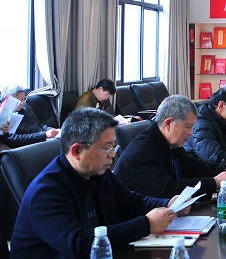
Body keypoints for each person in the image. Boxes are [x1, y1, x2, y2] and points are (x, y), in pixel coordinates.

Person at [10, 108, 178, 259]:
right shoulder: (46, 192)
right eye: (106, 148)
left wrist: (167, 204)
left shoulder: (99, 173)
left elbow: (131, 202)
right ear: (77, 150)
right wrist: (146, 224)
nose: (112, 155)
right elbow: (78, 244)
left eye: (114, 147)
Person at [115, 95, 226, 199]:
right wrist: (213, 183)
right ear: (168, 123)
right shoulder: (143, 151)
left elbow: (194, 166)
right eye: (188, 127)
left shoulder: (168, 141)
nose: (191, 133)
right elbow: (167, 189)